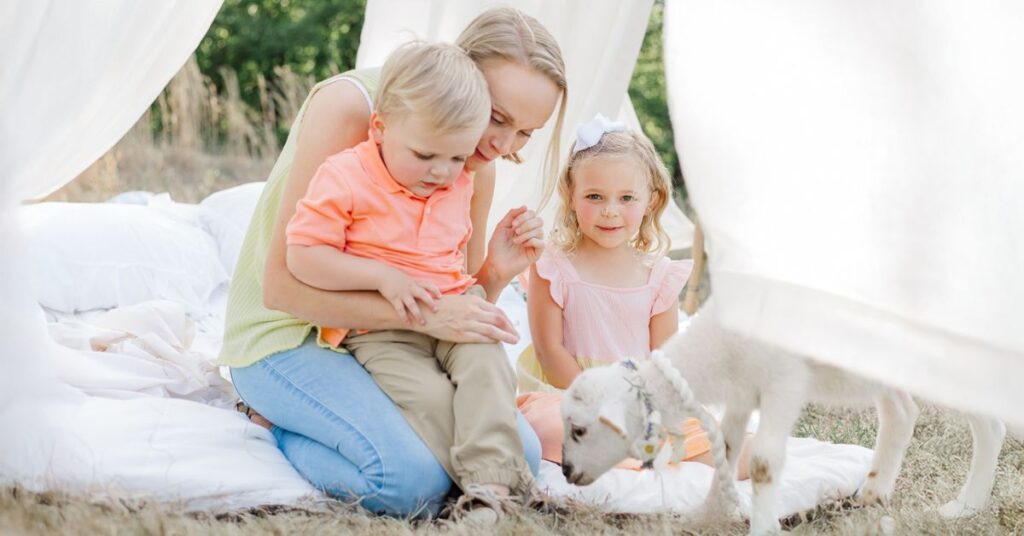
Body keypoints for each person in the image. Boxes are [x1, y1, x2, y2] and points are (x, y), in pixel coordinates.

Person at [220, 7, 567, 518]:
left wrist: (494, 272)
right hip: (287, 333)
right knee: (410, 482)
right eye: (497, 117)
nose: (500, 146)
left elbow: (453, 303)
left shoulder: (471, 163)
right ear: (457, 71)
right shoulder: (351, 110)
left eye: (524, 135)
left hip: (397, 339)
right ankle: (273, 419)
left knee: (525, 456)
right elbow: (282, 289)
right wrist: (421, 315)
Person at [284, 40, 532, 517]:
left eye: (458, 158)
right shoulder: (347, 175)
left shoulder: (461, 180)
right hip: (382, 331)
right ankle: (486, 489)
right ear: (380, 128)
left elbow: (456, 270)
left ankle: (494, 491)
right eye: (425, 155)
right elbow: (303, 257)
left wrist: (491, 279)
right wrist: (380, 275)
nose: (442, 173)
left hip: (450, 314)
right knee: (433, 398)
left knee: (490, 368)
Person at [519, 114, 748, 475]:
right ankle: (627, 455)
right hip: (567, 394)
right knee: (554, 430)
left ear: (651, 201)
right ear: (571, 196)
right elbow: (549, 352)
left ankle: (647, 452)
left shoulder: (658, 276)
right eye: (595, 196)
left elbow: (665, 359)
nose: (611, 210)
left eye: (627, 198)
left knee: (722, 446)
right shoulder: (553, 267)